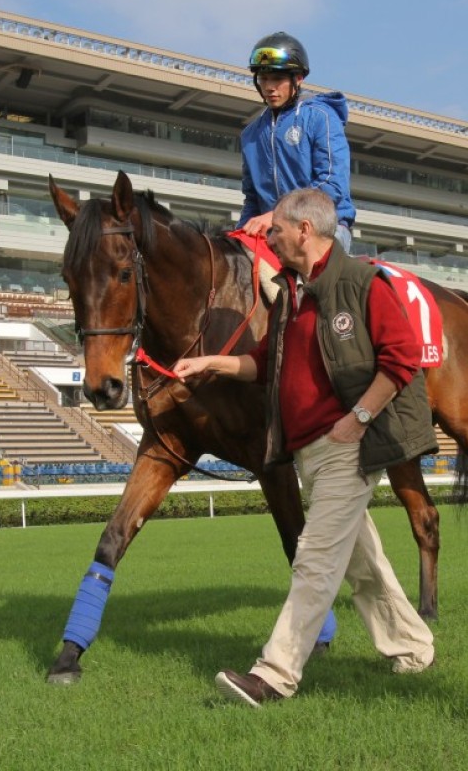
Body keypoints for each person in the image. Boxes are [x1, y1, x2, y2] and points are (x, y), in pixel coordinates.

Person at [171, 188, 436, 706]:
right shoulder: (292, 292)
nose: (268, 237)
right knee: (362, 563)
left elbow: (402, 359)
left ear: (304, 231)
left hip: (346, 448)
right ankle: (412, 645)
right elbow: (264, 364)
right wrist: (210, 364)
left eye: (275, 230)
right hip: (310, 453)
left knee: (314, 559)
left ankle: (274, 674)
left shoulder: (362, 282)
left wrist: (357, 420)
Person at [238, 32, 356, 252]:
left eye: (277, 78)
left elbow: (331, 185)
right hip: (273, 233)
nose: (269, 87)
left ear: (298, 78)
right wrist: (236, 235)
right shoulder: (250, 135)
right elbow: (252, 200)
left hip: (325, 229)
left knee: (308, 283)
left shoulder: (322, 117)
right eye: (263, 79)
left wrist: (278, 216)